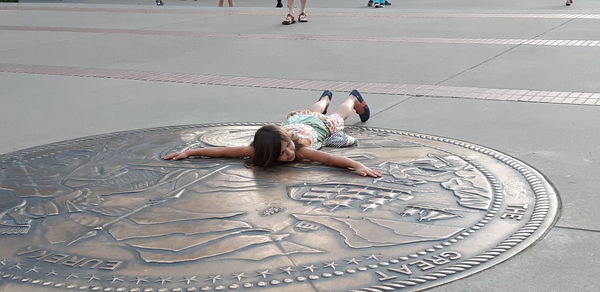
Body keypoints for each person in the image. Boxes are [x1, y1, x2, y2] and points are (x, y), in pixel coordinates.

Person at [164, 90, 382, 178]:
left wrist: (358, 166)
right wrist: (191, 152)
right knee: (312, 111)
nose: (289, 153)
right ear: (266, 152)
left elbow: (331, 158)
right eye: (282, 152)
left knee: (336, 117)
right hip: (296, 124)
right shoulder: (260, 148)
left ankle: (353, 99)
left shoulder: (300, 149)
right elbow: (223, 151)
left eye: (287, 147)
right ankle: (324, 98)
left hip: (317, 128)